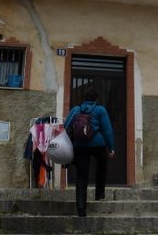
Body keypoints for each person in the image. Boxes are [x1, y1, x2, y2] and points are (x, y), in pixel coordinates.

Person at [64, 84, 115, 217]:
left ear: (84, 98)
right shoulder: (100, 110)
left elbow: (66, 126)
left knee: (82, 176)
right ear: (96, 99)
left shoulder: (76, 109)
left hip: (80, 146)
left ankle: (81, 209)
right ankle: (99, 192)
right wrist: (111, 148)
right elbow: (107, 130)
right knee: (102, 164)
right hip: (98, 145)